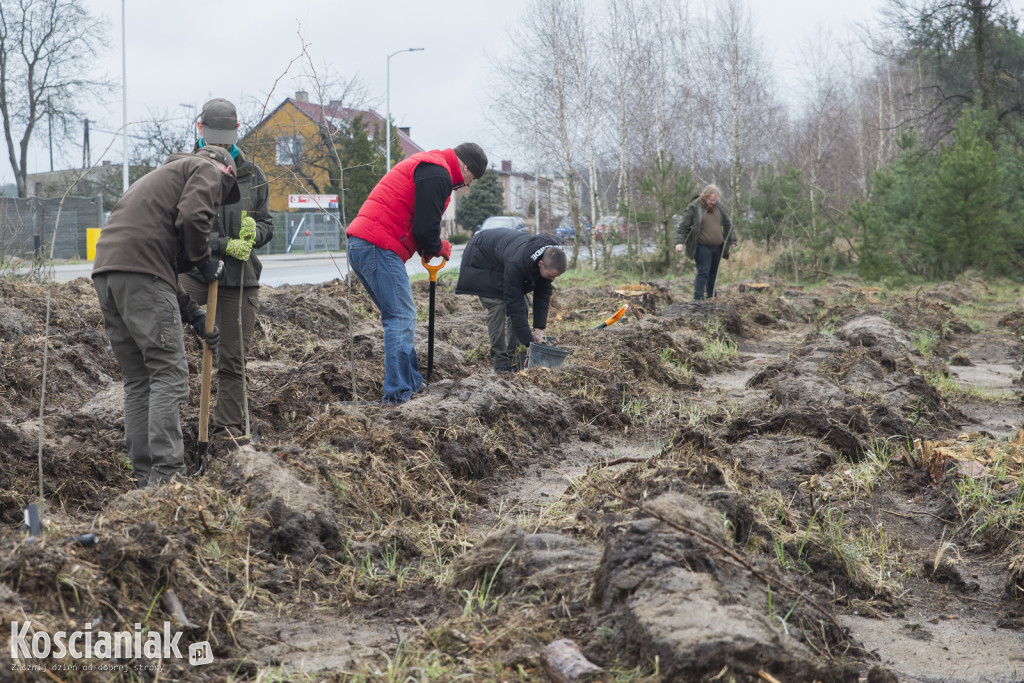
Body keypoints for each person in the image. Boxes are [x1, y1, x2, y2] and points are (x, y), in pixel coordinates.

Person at [91, 145, 239, 487]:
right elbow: (192, 218)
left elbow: (159, 266)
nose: (217, 203)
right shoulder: (206, 169)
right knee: (168, 374)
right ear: (225, 172)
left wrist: (194, 315)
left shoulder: (159, 179)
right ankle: (169, 478)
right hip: (141, 276)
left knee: (140, 379)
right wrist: (203, 260)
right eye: (221, 197)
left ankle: (146, 479)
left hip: (108, 275)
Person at [346, 142, 488, 404]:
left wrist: (428, 246)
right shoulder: (438, 172)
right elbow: (425, 228)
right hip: (378, 245)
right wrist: (438, 247)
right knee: (400, 318)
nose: (469, 185)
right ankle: (399, 394)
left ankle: (410, 383)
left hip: (364, 243)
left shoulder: (433, 166)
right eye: (472, 179)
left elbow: (419, 219)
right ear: (466, 167)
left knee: (400, 317)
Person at [179, 98, 273, 448]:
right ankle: (167, 425)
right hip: (192, 271)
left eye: (226, 138)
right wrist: (220, 244)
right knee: (166, 340)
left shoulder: (253, 175)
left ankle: (227, 435)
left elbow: (267, 225)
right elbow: (182, 224)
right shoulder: (184, 167)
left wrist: (254, 231)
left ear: (236, 131)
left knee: (233, 360)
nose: (220, 145)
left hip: (239, 279)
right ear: (200, 129)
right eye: (213, 137)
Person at [455, 227, 567, 373]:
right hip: (481, 256)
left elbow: (542, 296)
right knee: (498, 306)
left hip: (502, 256)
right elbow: (514, 303)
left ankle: (513, 356)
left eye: (555, 277)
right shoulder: (518, 262)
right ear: (540, 263)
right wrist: (529, 343)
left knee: (524, 304)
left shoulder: (550, 257)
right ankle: (500, 362)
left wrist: (538, 331)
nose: (552, 280)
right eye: (551, 275)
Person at [674, 184, 737, 300]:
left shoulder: (719, 207)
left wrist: (732, 239)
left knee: (714, 272)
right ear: (705, 197)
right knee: (703, 271)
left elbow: (728, 223)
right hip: (702, 246)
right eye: (711, 200)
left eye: (715, 200)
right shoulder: (694, 207)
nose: (713, 202)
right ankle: (698, 298)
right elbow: (683, 226)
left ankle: (711, 296)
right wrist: (679, 242)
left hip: (718, 247)